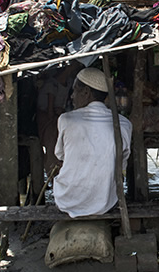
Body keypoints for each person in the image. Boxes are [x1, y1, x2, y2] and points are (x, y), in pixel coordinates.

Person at [53, 67, 132, 217]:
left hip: (67, 200)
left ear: (86, 92)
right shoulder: (124, 124)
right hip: (105, 201)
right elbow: (122, 163)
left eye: (75, 90)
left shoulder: (66, 119)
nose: (72, 97)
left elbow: (60, 155)